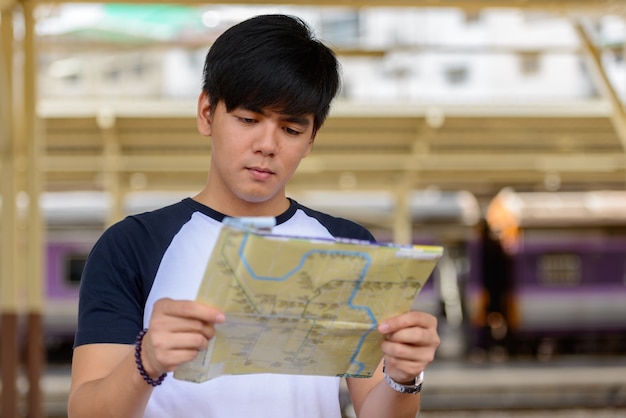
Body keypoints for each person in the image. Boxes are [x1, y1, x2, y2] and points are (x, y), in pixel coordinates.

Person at [68, 14, 440, 418]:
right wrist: (147, 361)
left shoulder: (348, 247)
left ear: (311, 138)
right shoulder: (132, 245)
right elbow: (86, 410)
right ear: (207, 113)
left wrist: (404, 376)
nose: (267, 145)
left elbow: (376, 410)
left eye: (291, 130)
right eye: (248, 119)